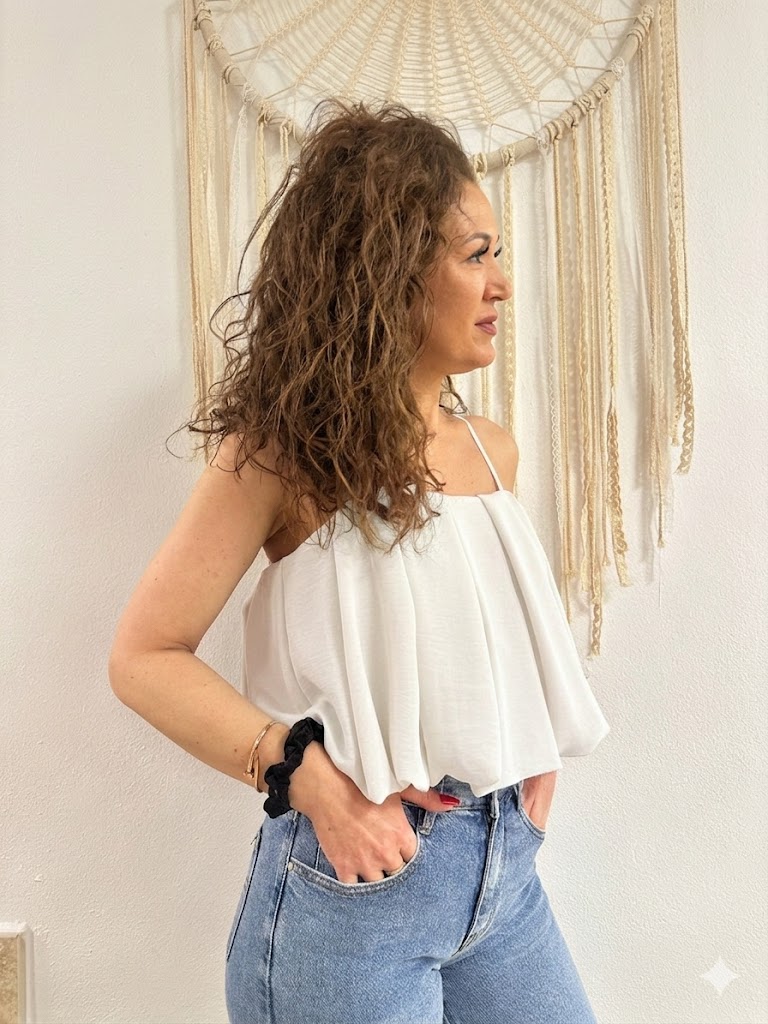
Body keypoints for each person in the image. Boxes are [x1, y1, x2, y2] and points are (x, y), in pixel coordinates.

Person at [109, 100, 610, 1024]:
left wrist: (532, 765)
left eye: (497, 254)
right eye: (476, 256)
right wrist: (308, 779)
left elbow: (485, 649)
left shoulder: (493, 450)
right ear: (390, 271)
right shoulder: (281, 458)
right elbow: (143, 657)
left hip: (505, 879)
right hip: (351, 892)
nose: (502, 284)